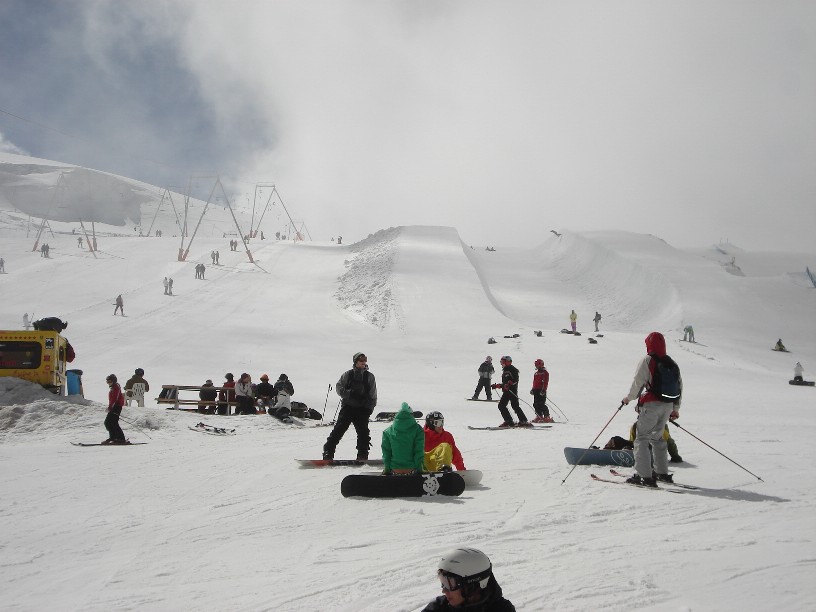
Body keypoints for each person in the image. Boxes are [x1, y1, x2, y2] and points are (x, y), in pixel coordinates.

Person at [621, 331, 682, 486]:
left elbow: (638, 382)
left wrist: (628, 398)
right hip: (667, 406)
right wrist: (675, 408)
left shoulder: (648, 360)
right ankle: (662, 473)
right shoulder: (671, 363)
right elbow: (679, 387)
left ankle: (644, 476)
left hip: (651, 406)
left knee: (641, 438)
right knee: (659, 438)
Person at [323, 352, 378, 460]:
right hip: (348, 408)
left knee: (363, 433)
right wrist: (349, 393)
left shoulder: (369, 376)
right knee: (338, 430)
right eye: (361, 360)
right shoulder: (347, 375)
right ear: (355, 361)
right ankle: (328, 452)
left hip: (362, 409)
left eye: (365, 360)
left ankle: (362, 455)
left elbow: (373, 394)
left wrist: (369, 409)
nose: (363, 362)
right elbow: (339, 388)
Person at [423, 548, 515, 612]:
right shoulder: (439, 607)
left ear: (472, 585)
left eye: (449, 583)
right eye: (443, 582)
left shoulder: (502, 609)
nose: (444, 590)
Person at [381, 402, 425, 474]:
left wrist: (387, 468)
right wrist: (420, 468)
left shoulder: (388, 432)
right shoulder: (418, 430)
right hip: (411, 469)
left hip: (395, 469)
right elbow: (418, 451)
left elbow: (386, 453)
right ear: (411, 415)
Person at [491, 356, 530, 427]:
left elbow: (515, 380)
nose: (502, 364)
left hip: (512, 391)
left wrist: (509, 383)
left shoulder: (512, 369)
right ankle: (509, 421)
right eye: (501, 362)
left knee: (514, 406)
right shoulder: (505, 371)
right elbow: (504, 383)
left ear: (508, 362)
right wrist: (497, 386)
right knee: (502, 405)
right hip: (506, 392)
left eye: (503, 362)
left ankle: (523, 421)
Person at [103, 374, 127, 444]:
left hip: (116, 407)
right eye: (107, 382)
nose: (109, 383)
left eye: (110, 381)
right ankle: (113, 437)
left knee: (113, 422)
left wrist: (110, 407)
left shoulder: (116, 387)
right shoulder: (113, 387)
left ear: (114, 381)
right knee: (108, 422)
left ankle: (120, 438)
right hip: (114, 407)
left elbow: (115, 399)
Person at [530, 359, 553, 423]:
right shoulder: (536, 373)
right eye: (536, 365)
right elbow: (534, 382)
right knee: (535, 404)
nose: (536, 366)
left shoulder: (544, 373)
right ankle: (539, 416)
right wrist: (533, 389)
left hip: (541, 390)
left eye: (537, 364)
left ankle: (547, 416)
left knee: (541, 404)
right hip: (536, 390)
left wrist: (544, 390)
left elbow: (545, 382)